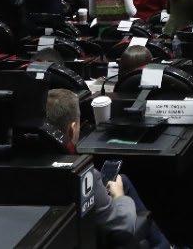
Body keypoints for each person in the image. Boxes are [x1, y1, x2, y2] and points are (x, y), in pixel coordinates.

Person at [46, 88, 171, 249]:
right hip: (89, 238)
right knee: (120, 190)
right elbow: (123, 226)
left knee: (122, 180)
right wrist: (119, 196)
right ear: (72, 129)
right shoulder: (84, 175)